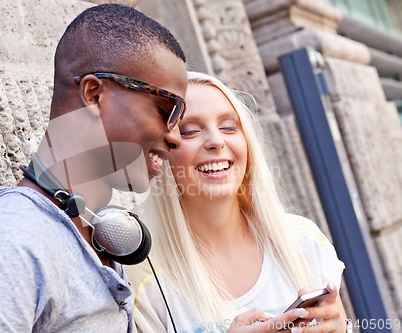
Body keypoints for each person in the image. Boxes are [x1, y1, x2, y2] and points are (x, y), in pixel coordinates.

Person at [0, 4, 188, 333]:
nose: (175, 137)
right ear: (94, 94)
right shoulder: (12, 246)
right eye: (167, 109)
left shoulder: (95, 232)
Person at [129, 71, 348, 333]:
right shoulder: (143, 278)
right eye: (189, 131)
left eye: (229, 127)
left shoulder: (304, 240)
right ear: (162, 152)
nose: (216, 141)